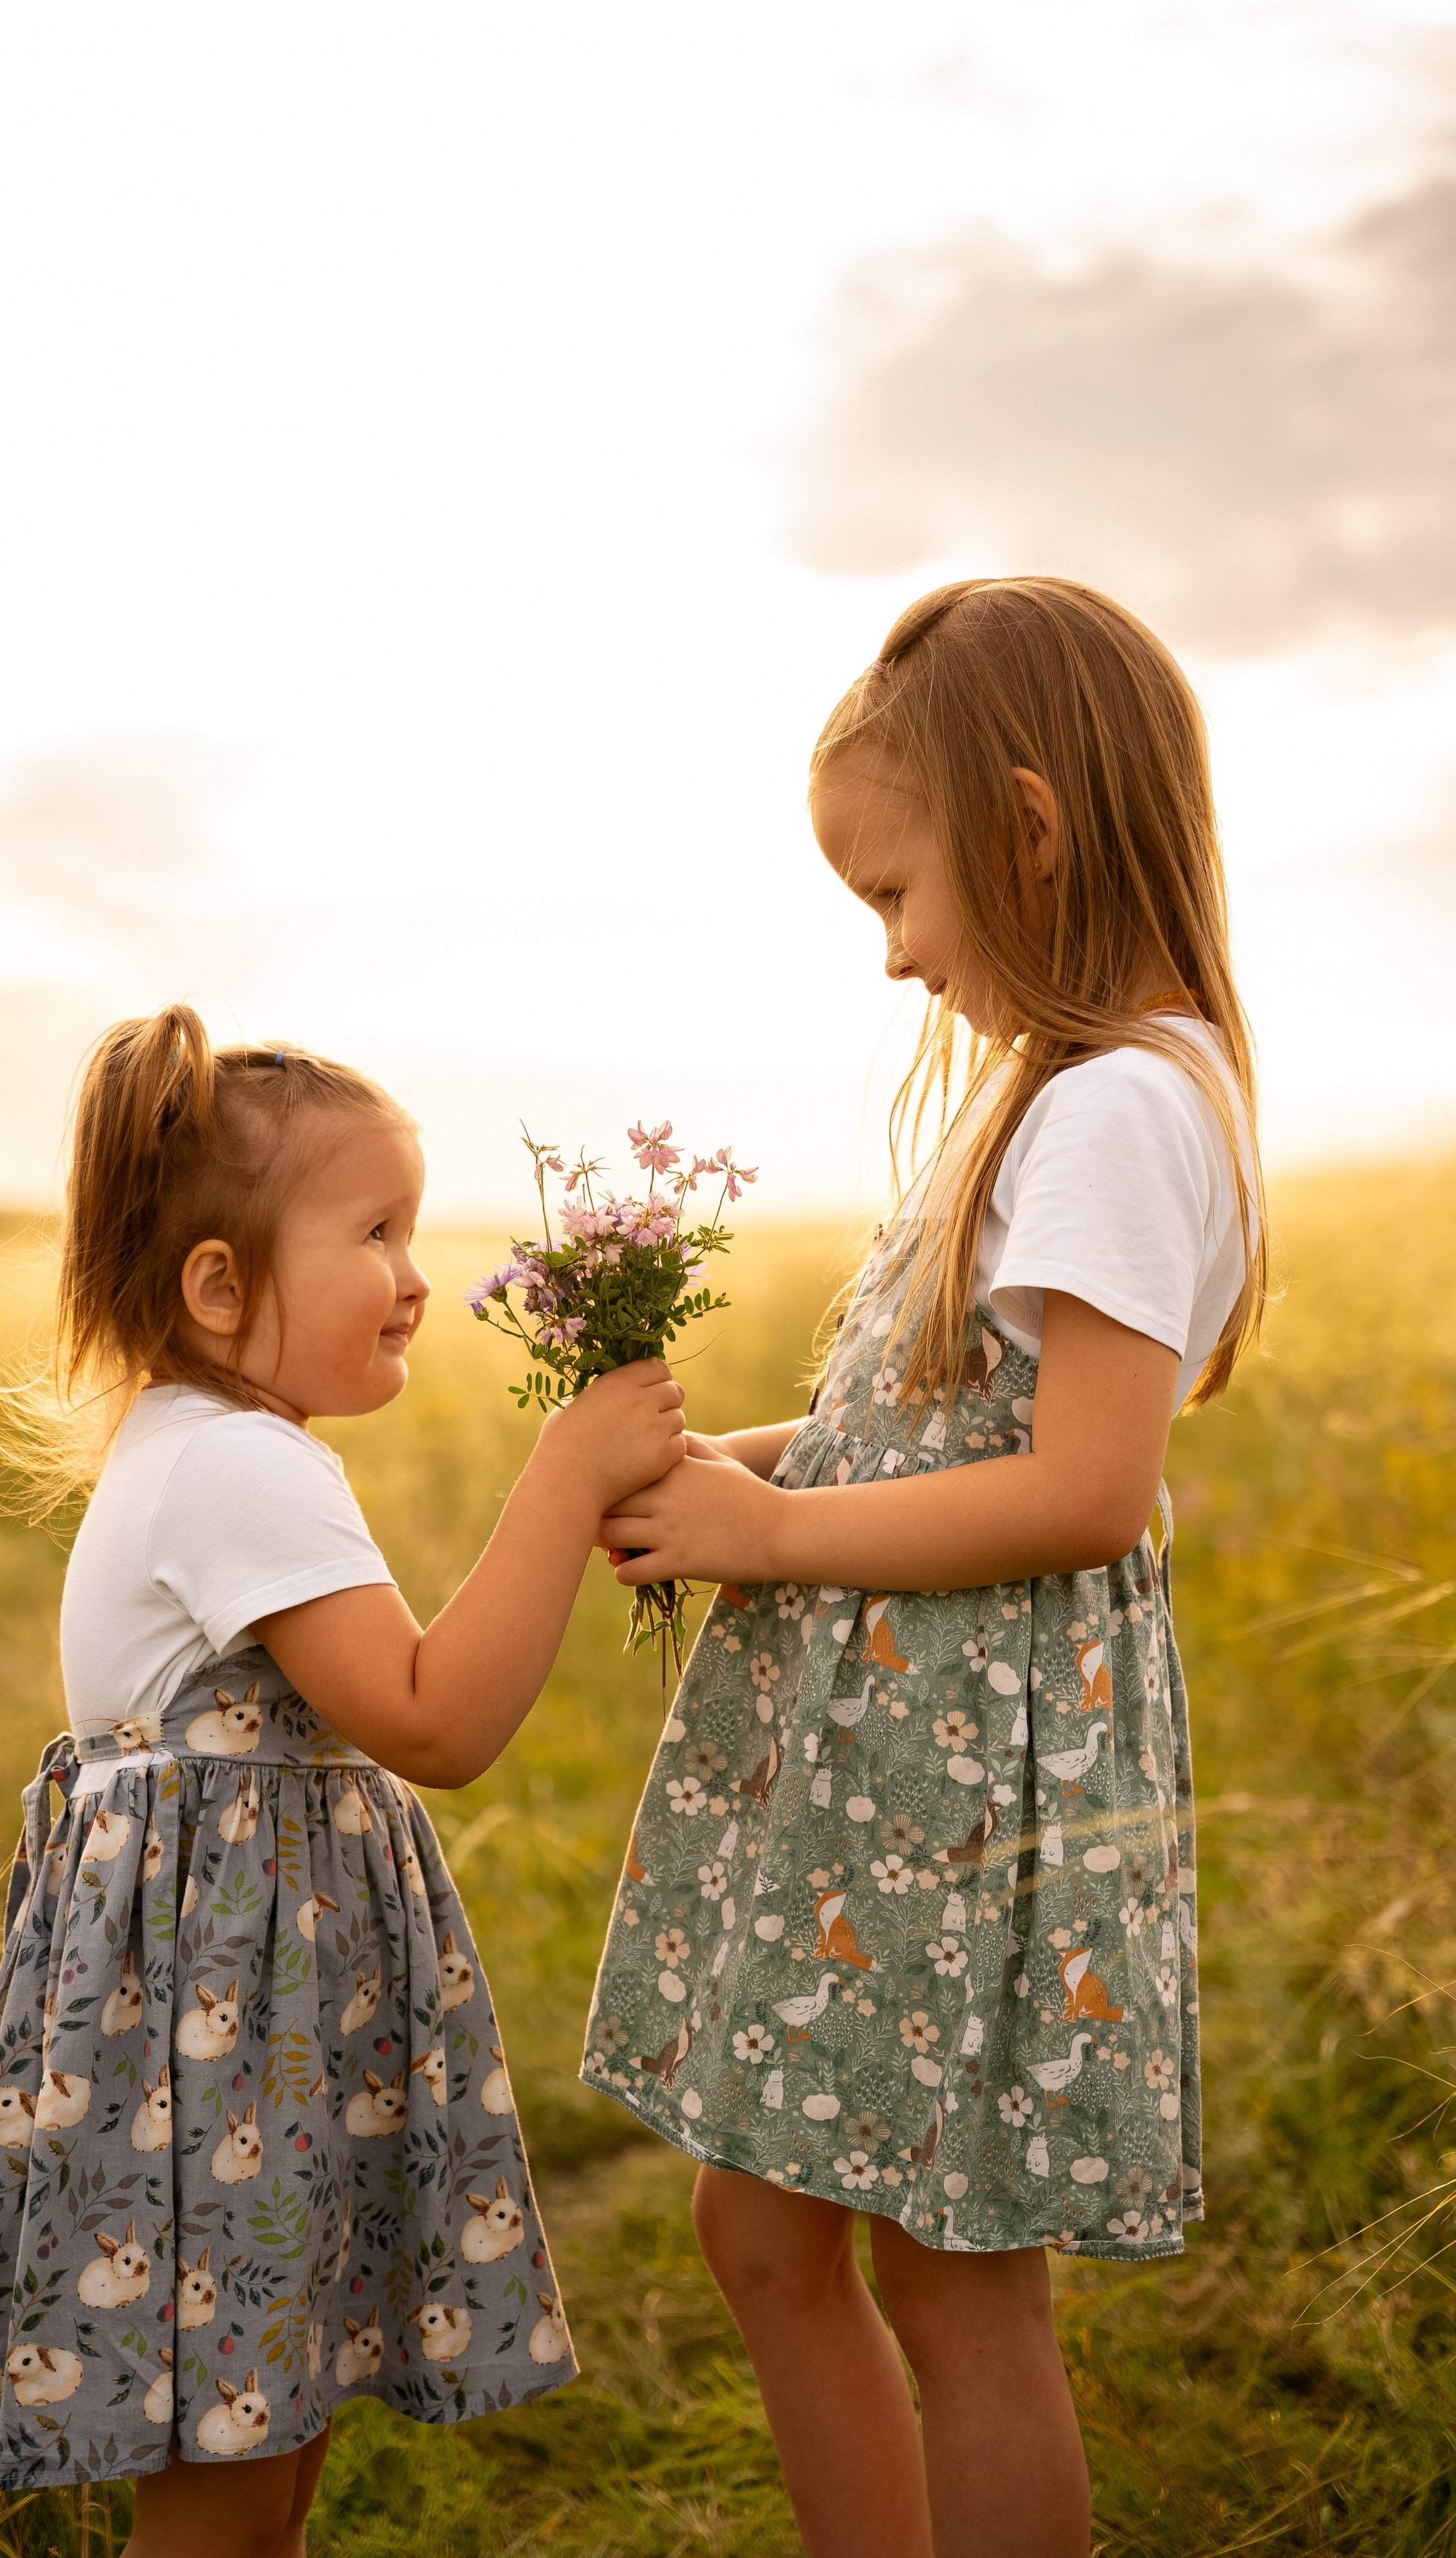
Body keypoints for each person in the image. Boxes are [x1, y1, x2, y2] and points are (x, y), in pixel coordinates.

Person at [582, 577, 1266, 2558]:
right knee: (761, 2224)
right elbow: (953, 1424)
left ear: (1034, 832)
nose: (889, 958)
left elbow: (1084, 1491)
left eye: (898, 896)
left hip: (972, 1803)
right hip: (901, 1781)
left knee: (961, 2280)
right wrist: (737, 1470)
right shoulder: (1063, 1089)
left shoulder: (1127, 1107)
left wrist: (776, 1535)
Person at [0, 1008, 686, 2558]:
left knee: (268, 2447)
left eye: (414, 1228)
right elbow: (434, 1720)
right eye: (374, 1231)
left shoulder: (217, 1448)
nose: (414, 1276)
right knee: (228, 2473)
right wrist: (564, 1476)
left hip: (247, 2042)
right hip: (215, 2054)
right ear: (219, 1285)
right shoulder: (238, 1466)